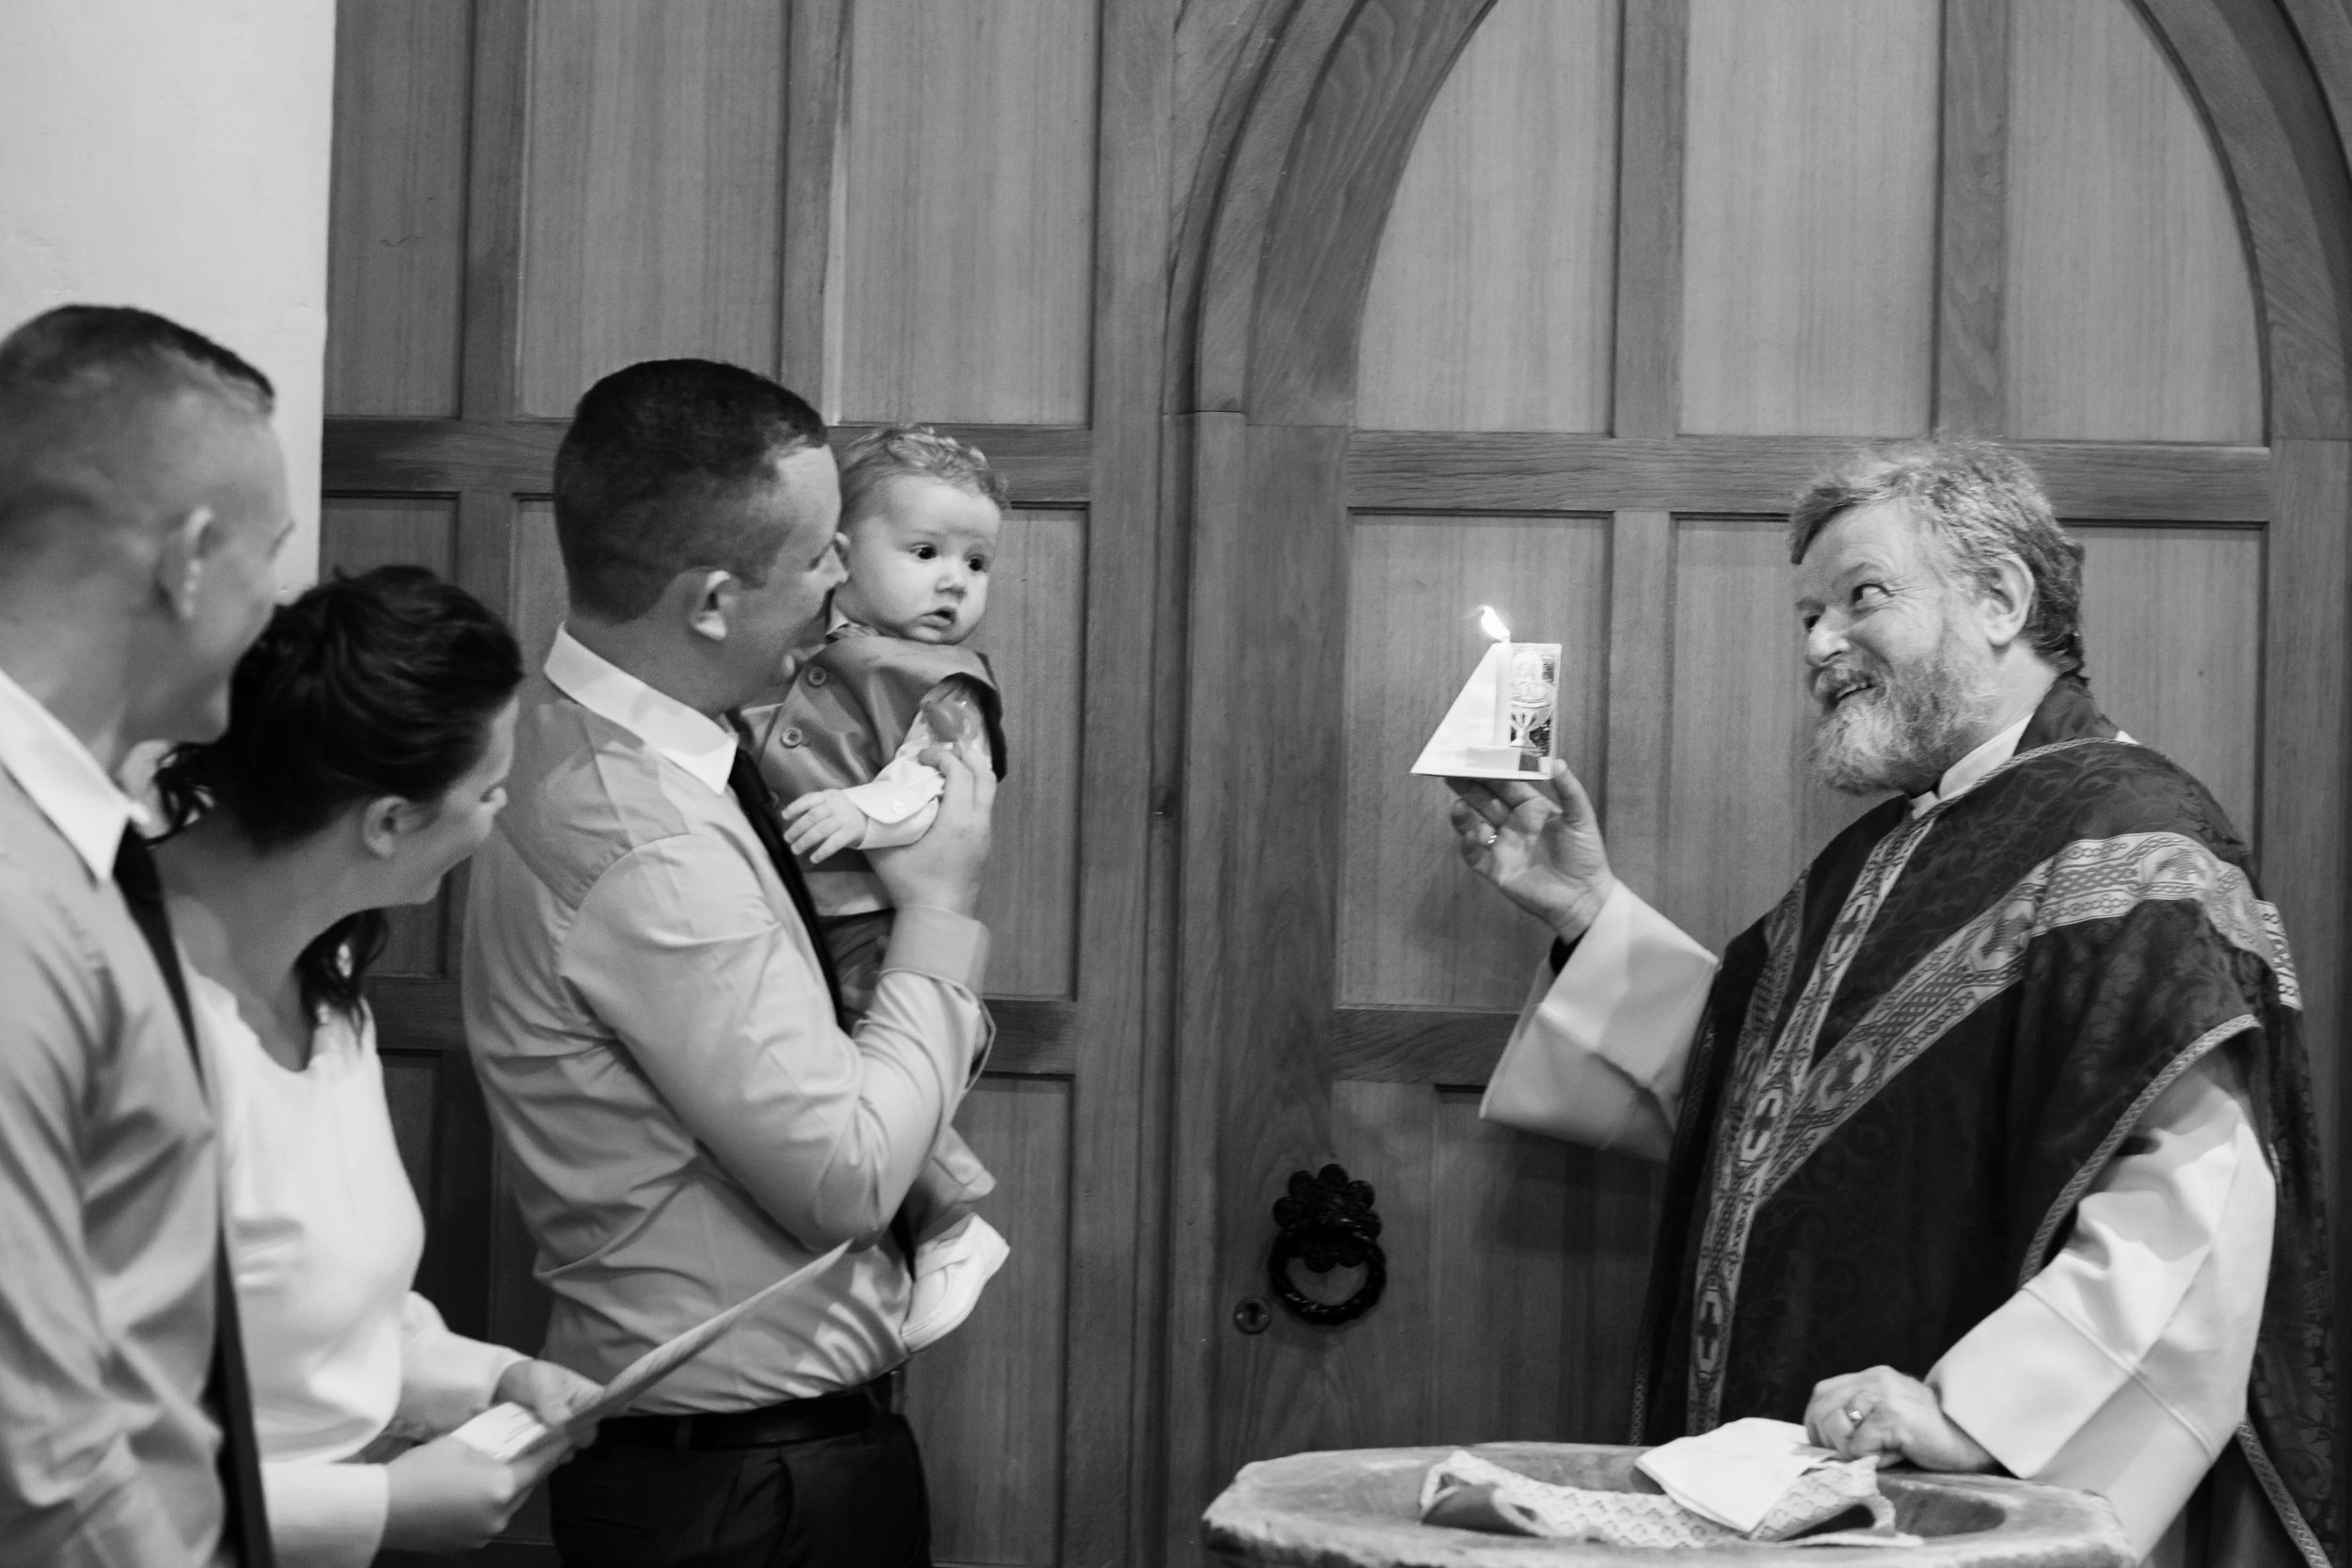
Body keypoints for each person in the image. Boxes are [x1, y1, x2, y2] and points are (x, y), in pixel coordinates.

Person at [1448, 440, 2333, 1566]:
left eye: (1860, 596)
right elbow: (1753, 1102)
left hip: (1957, 1481)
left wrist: (1973, 1409)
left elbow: (2195, 1203)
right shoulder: (1879, 853)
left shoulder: (2129, 835)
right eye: (1807, 615)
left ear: (2001, 597)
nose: (1819, 644)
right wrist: (1584, 907)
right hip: (1793, 1471)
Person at [463, 358, 997, 1568]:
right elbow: (848, 1173)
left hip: (747, 1460)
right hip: (746, 1491)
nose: (836, 586)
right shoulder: (642, 839)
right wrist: (936, 911)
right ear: (710, 600)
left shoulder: (640, 741)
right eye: (817, 555)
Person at [150, 566, 603, 1567]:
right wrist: (376, 1510)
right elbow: (64, 1449)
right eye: (487, 791)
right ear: (389, 821)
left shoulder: (327, 976)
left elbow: (327, 1324)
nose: (499, 818)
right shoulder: (110, 1002)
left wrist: (483, 1379)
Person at [0, 305, 290, 1566]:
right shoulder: (17, 895)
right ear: (189, 556)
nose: (274, 601)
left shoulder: (79, 848)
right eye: (266, 556)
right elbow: (38, 1456)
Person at [744, 423, 1012, 1353]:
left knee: (866, 1063)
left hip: (865, 915)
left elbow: (938, 787)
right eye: (928, 552)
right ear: (843, 557)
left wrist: (863, 812)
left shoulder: (943, 680)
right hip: (792, 904)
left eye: (976, 563)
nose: (955, 581)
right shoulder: (823, 647)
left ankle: (951, 1223)